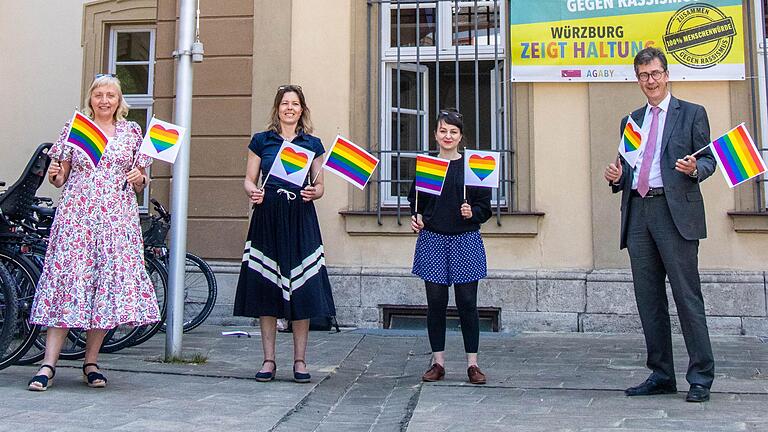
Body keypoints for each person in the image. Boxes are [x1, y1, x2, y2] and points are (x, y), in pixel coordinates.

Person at [28, 75, 160, 391]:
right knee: (67, 282)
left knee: (104, 286)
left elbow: (141, 178)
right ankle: (48, 364)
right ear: (91, 98)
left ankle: (91, 362)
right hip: (77, 216)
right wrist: (56, 175)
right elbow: (59, 179)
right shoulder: (77, 128)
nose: (104, 100)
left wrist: (139, 177)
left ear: (119, 101)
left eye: (110, 95)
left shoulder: (132, 132)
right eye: (99, 94)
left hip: (116, 218)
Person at [603, 47, 717, 403]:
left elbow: (709, 160)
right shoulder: (632, 120)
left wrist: (695, 169)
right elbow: (627, 168)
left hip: (675, 214)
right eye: (642, 76)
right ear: (637, 79)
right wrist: (616, 177)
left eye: (654, 74)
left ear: (667, 75)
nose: (649, 81)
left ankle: (700, 377)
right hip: (639, 212)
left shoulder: (692, 114)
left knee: (687, 297)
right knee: (648, 300)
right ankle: (661, 374)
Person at [234, 84, 335, 383]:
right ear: (277, 108)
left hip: (300, 218)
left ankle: (300, 361)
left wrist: (313, 192)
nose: (289, 108)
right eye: (284, 103)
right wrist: (253, 192)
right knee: (267, 287)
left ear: (302, 109)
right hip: (268, 217)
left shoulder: (313, 143)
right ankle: (268, 361)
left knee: (302, 289)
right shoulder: (261, 141)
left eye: (295, 104)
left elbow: (320, 186)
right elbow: (249, 180)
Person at [408, 109, 492, 385]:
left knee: (468, 302)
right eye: (443, 131)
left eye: (453, 131)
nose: (448, 136)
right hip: (433, 238)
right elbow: (415, 201)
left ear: (460, 136)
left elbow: (485, 207)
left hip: (465, 239)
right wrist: (417, 217)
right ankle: (438, 362)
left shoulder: (473, 164)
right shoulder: (428, 165)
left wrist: (473, 213)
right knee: (436, 303)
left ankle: (473, 364)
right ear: (435, 134)